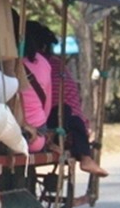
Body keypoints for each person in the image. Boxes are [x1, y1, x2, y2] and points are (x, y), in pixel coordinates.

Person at [19, 18, 108, 177]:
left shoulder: (29, 63)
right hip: (46, 122)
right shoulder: (50, 63)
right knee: (68, 114)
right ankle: (85, 157)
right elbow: (45, 104)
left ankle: (83, 156)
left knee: (66, 112)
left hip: (49, 120)